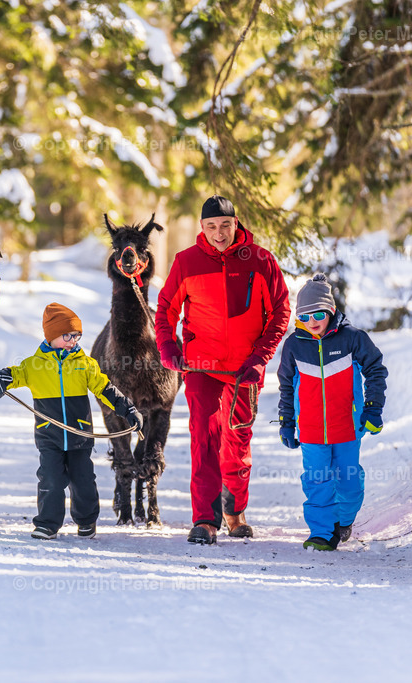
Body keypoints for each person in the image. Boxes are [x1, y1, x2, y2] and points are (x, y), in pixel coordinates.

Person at [155, 195, 291, 545]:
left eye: (225, 225)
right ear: (202, 227)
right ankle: (204, 519)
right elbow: (166, 309)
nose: (219, 233)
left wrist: (260, 357)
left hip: (244, 370)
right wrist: (169, 349)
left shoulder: (261, 261)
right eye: (212, 226)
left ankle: (235, 511)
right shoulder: (187, 262)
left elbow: (279, 312)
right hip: (201, 367)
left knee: (238, 441)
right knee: (204, 439)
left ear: (236, 224)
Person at [0, 303, 143, 540]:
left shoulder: (85, 364)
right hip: (48, 435)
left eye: (77, 335)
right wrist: (1, 379)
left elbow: (105, 389)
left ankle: (86, 520)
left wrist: (128, 409)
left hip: (80, 434)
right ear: (51, 336)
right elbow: (15, 375)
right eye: (67, 335)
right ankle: (48, 524)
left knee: (83, 480)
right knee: (50, 479)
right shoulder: (34, 365)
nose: (73, 340)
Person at [277, 273, 388, 551]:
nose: (312, 321)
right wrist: (287, 423)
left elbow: (376, 369)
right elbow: (286, 387)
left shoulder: (352, 339)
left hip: (348, 427)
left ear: (331, 310)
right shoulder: (294, 346)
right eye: (304, 316)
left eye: (318, 314)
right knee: (316, 481)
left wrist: (373, 409)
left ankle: (343, 520)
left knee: (349, 483)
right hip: (311, 430)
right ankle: (322, 533)